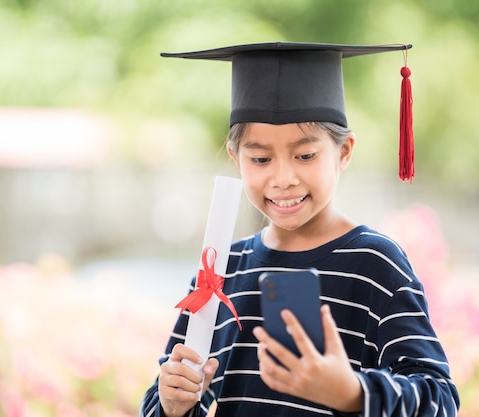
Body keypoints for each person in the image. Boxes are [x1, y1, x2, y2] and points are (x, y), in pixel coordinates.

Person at [140, 42, 460, 417]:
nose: (283, 178)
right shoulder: (222, 267)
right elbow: (170, 392)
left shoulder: (375, 264)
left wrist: (353, 393)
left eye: (306, 155)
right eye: (260, 159)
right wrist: (173, 404)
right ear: (236, 158)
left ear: (344, 152)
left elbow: (438, 399)